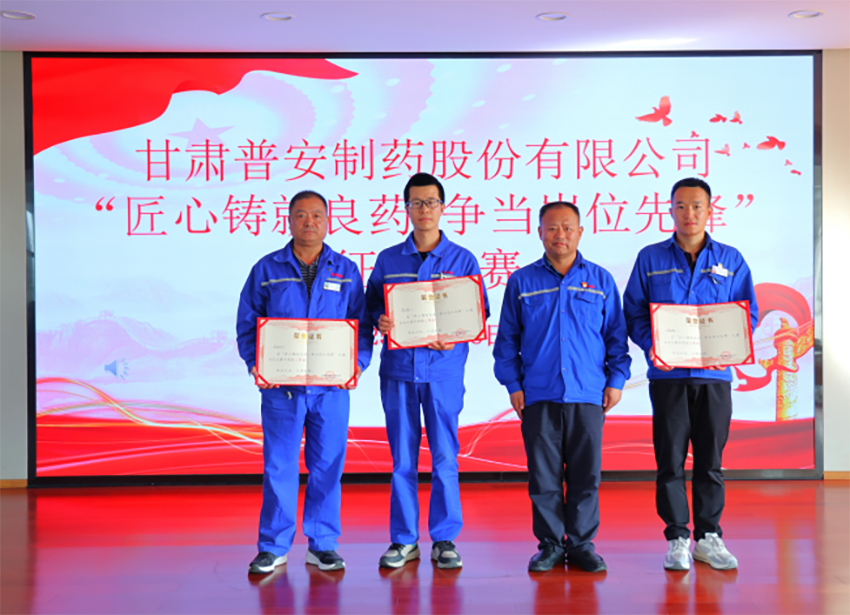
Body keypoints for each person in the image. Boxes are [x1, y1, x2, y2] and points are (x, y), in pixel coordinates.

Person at [623, 177, 758, 571]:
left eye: (697, 206)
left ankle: (708, 536)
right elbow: (634, 311)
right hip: (668, 376)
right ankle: (677, 538)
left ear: (710, 210)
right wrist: (651, 345)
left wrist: (730, 347)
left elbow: (747, 313)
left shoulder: (731, 259)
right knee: (670, 460)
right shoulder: (650, 258)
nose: (689, 213)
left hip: (715, 377)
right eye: (681, 206)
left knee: (710, 461)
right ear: (670, 210)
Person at [236, 190, 373, 574]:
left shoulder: (345, 269)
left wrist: (357, 364)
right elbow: (247, 322)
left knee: (327, 466)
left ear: (328, 221)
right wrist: (255, 363)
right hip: (282, 389)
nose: (309, 222)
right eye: (301, 215)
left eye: (316, 215)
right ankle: (273, 545)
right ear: (289, 220)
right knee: (279, 466)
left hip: (331, 389)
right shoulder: (267, 269)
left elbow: (361, 325)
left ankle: (323, 544)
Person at [493, 201, 631, 573]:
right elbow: (507, 341)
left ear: (580, 232)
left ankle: (582, 544)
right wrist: (513, 384)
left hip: (588, 393)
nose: (560, 235)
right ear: (539, 232)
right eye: (552, 227)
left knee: (586, 475)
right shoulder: (522, 281)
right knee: (544, 476)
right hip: (538, 394)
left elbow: (616, 338)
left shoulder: (600, 280)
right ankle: (551, 545)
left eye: (568, 227)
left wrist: (616, 381)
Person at [365, 172, 490, 570]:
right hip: (399, 371)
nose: (424, 209)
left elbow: (479, 312)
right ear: (406, 208)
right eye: (416, 203)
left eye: (431, 202)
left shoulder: (462, 259)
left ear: (442, 207)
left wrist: (455, 335)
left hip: (443, 372)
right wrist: (380, 319)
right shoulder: (389, 259)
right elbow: (371, 304)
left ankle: (445, 538)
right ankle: (404, 539)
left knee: (444, 457)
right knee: (402, 459)